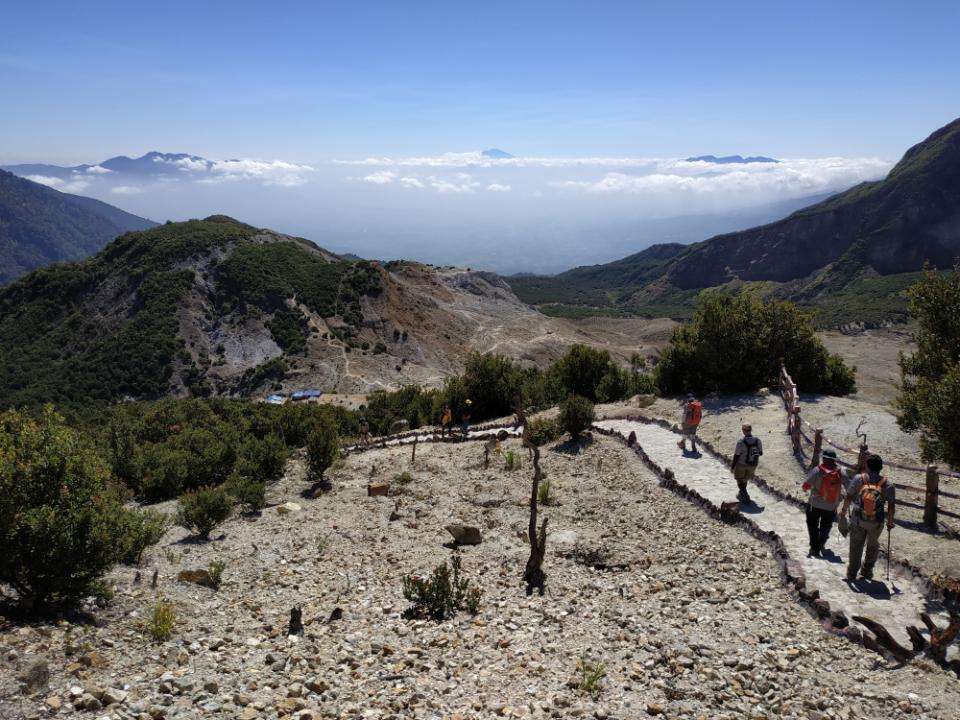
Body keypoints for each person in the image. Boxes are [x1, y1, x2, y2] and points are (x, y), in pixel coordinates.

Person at [840, 454, 895, 582]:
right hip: (876, 522)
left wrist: (843, 512)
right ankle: (867, 571)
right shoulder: (888, 485)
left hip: (858, 519)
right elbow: (891, 506)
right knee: (873, 546)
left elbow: (848, 496)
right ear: (881, 468)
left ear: (867, 466)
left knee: (856, 546)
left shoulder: (859, 479)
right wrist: (890, 522)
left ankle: (852, 573)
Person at [802, 449, 846, 557]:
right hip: (831, 505)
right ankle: (821, 544)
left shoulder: (817, 470)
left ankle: (814, 548)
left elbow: (805, 487)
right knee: (826, 526)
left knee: (812, 526)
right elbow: (849, 487)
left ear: (825, 458)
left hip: (815, 504)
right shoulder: (840, 472)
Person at [730, 424, 763, 503]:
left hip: (742, 464)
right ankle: (742, 493)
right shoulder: (758, 440)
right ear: (750, 430)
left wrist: (732, 466)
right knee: (745, 479)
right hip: (753, 465)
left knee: (739, 479)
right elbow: (760, 453)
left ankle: (744, 494)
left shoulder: (740, 442)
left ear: (744, 431)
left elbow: (736, 455)